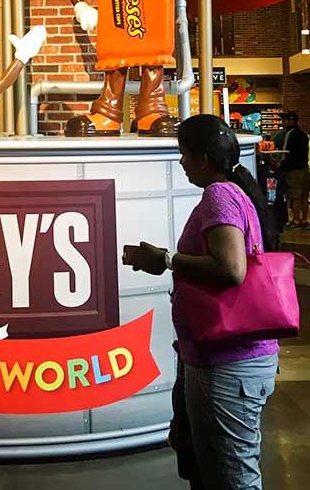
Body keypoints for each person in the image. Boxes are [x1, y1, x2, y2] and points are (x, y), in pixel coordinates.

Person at [124, 115, 278, 490]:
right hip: (230, 359)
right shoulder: (237, 191)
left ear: (204, 158)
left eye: (184, 154)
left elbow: (231, 269)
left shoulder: (219, 195)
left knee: (234, 476)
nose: (180, 162)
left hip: (228, 364)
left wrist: (164, 259)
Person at [279, 111, 310, 228]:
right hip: (304, 169)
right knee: (304, 196)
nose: (283, 122)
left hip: (293, 170)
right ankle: (305, 220)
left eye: (285, 120)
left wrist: (281, 166)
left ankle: (296, 220)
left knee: (294, 196)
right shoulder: (304, 135)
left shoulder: (290, 134)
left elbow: (286, 153)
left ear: (291, 121)